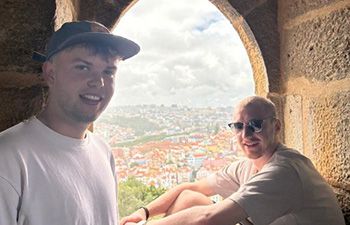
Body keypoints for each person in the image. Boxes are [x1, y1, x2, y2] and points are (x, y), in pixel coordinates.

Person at [120, 96, 345, 225]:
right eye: (238, 126)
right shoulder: (247, 166)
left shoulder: (284, 170)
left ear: (276, 126)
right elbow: (189, 187)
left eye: (256, 125)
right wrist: (143, 213)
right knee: (189, 198)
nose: (246, 135)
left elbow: (209, 218)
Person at [0, 20, 139, 225]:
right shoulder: (9, 157)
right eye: (83, 67)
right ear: (50, 73)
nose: (98, 82)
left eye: (108, 71)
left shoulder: (103, 152)